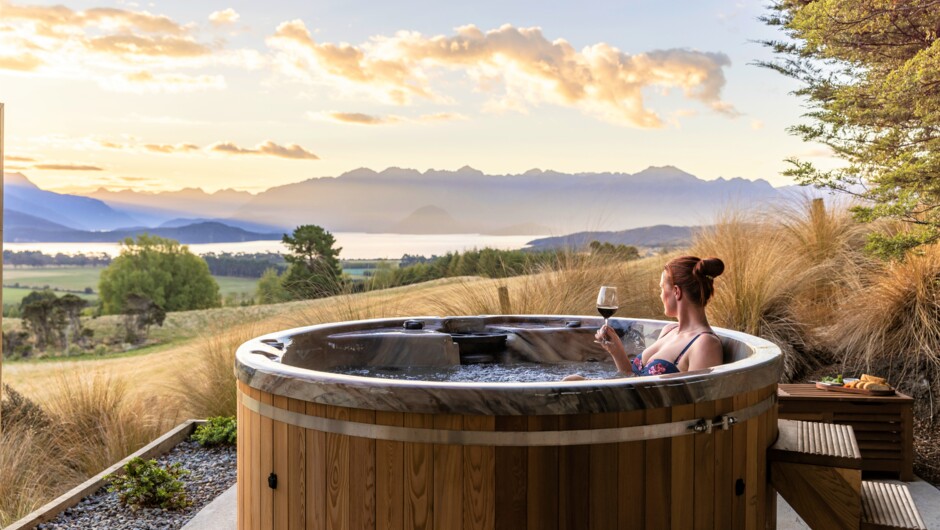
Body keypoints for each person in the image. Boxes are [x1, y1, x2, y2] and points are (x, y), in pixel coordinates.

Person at [565, 256, 725, 380]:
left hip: (649, 419)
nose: (660, 294)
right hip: (630, 408)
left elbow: (697, 405)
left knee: (571, 382)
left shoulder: (705, 344)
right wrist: (617, 351)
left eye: (662, 288)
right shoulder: (669, 330)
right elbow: (632, 379)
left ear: (676, 292)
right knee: (572, 380)